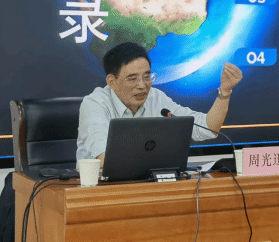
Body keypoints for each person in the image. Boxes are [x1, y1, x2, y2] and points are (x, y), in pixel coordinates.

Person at [76, 42, 243, 167]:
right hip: (99, 191)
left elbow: (208, 128)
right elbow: (105, 159)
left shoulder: (155, 98)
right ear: (112, 81)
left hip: (148, 185)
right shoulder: (94, 104)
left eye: (147, 77)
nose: (142, 85)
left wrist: (225, 92)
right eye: (132, 78)